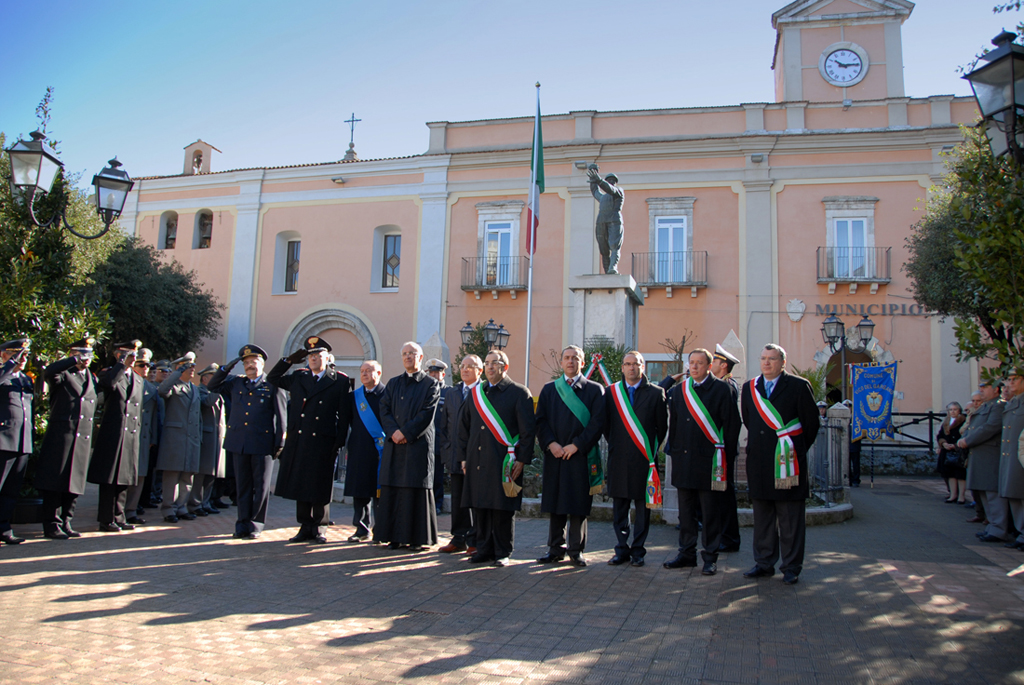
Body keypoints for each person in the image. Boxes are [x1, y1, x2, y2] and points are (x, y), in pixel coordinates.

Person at [741, 344, 820, 585]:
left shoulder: (798, 385)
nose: (766, 363)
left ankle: (791, 567)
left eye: (772, 359)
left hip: (788, 463)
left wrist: (793, 452)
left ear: (782, 362)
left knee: (790, 519)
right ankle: (764, 563)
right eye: (763, 358)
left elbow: (811, 424)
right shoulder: (749, 388)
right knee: (763, 517)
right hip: (760, 463)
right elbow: (749, 419)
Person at [663, 349, 741, 576]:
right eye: (692, 363)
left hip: (710, 461)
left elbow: (732, 425)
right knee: (686, 513)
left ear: (709, 366)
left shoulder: (722, 389)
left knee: (710, 513)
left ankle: (710, 557)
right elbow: (674, 425)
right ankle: (686, 553)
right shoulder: (679, 391)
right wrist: (675, 452)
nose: (694, 367)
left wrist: (726, 455)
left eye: (699, 363)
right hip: (684, 460)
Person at [457, 350, 536, 566]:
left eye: (495, 363)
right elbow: (463, 427)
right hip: (477, 460)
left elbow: (528, 431)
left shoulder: (519, 392)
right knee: (480, 505)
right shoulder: (476, 393)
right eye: (487, 363)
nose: (490, 367)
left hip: (504, 460)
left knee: (502, 507)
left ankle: (502, 551)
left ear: (505, 367)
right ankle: (483, 548)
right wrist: (463, 457)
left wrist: (522, 459)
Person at [269, 336, 350, 544]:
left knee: (320, 485)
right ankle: (305, 526)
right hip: (300, 439)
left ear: (327, 357)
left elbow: (344, 414)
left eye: (318, 355)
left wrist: (339, 441)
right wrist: (287, 360)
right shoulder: (298, 377)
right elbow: (273, 378)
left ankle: (320, 526)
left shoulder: (338, 380)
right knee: (301, 483)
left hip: (324, 440)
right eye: (311, 355)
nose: (314, 359)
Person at [535, 345, 606, 567]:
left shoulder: (595, 390)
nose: (570, 361)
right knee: (556, 503)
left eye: (575, 358)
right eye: (567, 358)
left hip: (580, 456)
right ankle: (555, 549)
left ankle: (576, 550)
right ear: (562, 362)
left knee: (578, 504)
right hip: (555, 455)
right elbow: (540, 421)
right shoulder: (549, 389)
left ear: (583, 363)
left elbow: (598, 423)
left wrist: (577, 445)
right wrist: (551, 444)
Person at [208, 344, 287, 539]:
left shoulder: (272, 385)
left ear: (262, 364)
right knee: (242, 485)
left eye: (253, 362)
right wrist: (226, 368)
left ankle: (256, 524)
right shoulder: (236, 383)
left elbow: (282, 417)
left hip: (262, 443)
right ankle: (241, 523)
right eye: (246, 363)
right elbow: (212, 386)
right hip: (239, 442)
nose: (250, 366)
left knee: (260, 487)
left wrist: (279, 443)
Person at [604, 351, 667, 567]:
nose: (632, 368)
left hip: (644, 462)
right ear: (622, 368)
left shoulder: (656, 393)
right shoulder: (612, 393)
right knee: (620, 508)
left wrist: (649, 450)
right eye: (628, 364)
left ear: (643, 367)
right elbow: (606, 425)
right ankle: (621, 549)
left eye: (636, 364)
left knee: (643, 508)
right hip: (619, 459)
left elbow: (662, 427)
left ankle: (638, 551)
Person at [376, 342, 440, 551]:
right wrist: (394, 431)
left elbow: (426, 413)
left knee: (415, 490)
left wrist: (405, 432)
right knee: (393, 488)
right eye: (404, 354)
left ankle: (417, 538)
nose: (407, 357)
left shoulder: (430, 384)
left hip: (417, 445)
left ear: (420, 358)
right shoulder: (393, 383)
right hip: (394, 444)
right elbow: (383, 409)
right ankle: (392, 536)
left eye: (411, 354)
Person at [35, 337, 98, 539]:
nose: (85, 358)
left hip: (82, 437)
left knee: (75, 483)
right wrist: (72, 361)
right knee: (55, 481)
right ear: (72, 354)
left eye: (88, 354)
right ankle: (51, 523)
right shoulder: (63, 374)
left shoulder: (91, 377)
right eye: (81, 354)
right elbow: (49, 371)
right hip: (62, 435)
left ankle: (66, 521)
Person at [88, 340, 145, 532]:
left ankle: (119, 517)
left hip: (130, 433)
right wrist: (120, 364)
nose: (133, 358)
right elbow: (108, 385)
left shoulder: (137, 379)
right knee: (109, 478)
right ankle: (106, 519)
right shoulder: (109, 373)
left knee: (124, 478)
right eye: (128, 354)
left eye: (134, 355)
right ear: (119, 355)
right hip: (113, 432)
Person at [437, 355, 483, 554]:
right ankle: (458, 538)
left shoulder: (485, 392)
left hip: (477, 457)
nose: (464, 370)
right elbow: (444, 426)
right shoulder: (452, 393)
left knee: (475, 499)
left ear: (479, 371)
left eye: (470, 366)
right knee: (458, 499)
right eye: (462, 366)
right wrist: (447, 452)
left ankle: (475, 539)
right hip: (455, 455)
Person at [340, 360, 385, 542]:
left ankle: (381, 530)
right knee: (360, 492)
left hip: (381, 451)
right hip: (359, 448)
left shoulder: (388, 395)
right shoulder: (354, 397)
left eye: (369, 371)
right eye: (362, 371)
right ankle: (361, 528)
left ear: (379, 373)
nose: (365, 374)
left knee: (380, 493)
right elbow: (347, 421)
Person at [156, 352, 203, 523]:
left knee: (187, 477)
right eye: (187, 367)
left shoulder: (194, 389)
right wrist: (176, 372)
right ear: (179, 368)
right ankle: (168, 509)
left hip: (191, 440)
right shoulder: (174, 387)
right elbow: (162, 389)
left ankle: (181, 507)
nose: (192, 370)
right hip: (175, 439)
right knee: (171, 476)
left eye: (192, 367)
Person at [959, 379, 1008, 543]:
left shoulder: (998, 406)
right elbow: (974, 426)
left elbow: (990, 427)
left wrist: (968, 440)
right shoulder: (986, 406)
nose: (981, 390)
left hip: (989, 455)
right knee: (984, 493)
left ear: (996, 390)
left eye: (985, 387)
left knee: (993, 495)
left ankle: (999, 528)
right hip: (979, 455)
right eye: (980, 387)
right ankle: (992, 526)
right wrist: (964, 438)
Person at [0, 339, 33, 545]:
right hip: (3, 439)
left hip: (22, 440)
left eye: (24, 355)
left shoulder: (24, 379)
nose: (22, 359)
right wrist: (10, 364)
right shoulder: (4, 374)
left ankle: (4, 527)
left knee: (11, 490)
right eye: (18, 354)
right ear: (4, 354)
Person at [710, 343, 743, 552]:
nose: (711, 364)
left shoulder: (728, 386)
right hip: (717, 450)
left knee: (725, 495)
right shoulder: (720, 385)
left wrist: (726, 450)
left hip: (723, 450)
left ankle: (729, 538)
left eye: (714, 361)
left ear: (723, 365)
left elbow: (731, 422)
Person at [125, 348, 160, 525]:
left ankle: (131, 510)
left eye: (149, 365)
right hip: (128, 435)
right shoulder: (125, 381)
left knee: (140, 476)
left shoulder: (150, 388)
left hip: (144, 437)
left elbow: (153, 415)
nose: (146, 368)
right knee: (125, 474)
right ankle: (118, 510)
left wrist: (153, 438)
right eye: (142, 364)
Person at [188, 364, 227, 517]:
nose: (217, 379)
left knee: (212, 474)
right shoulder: (200, 391)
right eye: (213, 376)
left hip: (217, 438)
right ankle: (195, 503)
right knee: (201, 474)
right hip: (206, 437)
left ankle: (206, 502)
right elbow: (207, 403)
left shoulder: (214, 392)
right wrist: (216, 388)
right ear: (204, 379)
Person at [998, 365, 1024, 551]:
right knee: (1015, 496)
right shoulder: (1014, 402)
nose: (1011, 382)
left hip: (1020, 458)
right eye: (1010, 378)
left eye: (1016, 378)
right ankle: (1021, 534)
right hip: (1012, 456)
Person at [587, 167, 625, 274]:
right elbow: (595, 192)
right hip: (602, 220)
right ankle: (607, 271)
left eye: (613, 180)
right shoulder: (603, 198)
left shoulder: (618, 192)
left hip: (614, 219)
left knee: (614, 246)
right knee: (603, 249)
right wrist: (593, 178)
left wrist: (599, 180)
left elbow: (610, 189)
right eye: (609, 180)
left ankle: (613, 267)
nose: (611, 182)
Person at [426, 358, 450, 516]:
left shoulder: (448, 392)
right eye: (432, 372)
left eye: (437, 372)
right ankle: (425, 504)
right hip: (424, 441)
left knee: (437, 477)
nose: (434, 375)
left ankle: (437, 504)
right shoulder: (423, 390)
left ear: (443, 374)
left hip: (440, 441)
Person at [963, 390, 987, 523]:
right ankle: (979, 512)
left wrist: (967, 440)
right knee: (974, 486)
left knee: (983, 486)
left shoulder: (984, 413)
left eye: (978, 401)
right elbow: (965, 430)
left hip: (980, 451)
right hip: (970, 452)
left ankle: (987, 516)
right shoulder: (972, 414)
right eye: (974, 401)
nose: (975, 403)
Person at [936, 402, 967, 504]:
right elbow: (940, 435)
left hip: (959, 451)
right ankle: (953, 494)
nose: (952, 412)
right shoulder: (946, 422)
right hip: (947, 451)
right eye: (950, 410)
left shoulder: (963, 421)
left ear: (959, 410)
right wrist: (943, 443)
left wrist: (955, 445)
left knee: (960, 474)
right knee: (950, 474)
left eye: (955, 409)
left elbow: (965, 435)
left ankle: (961, 496)